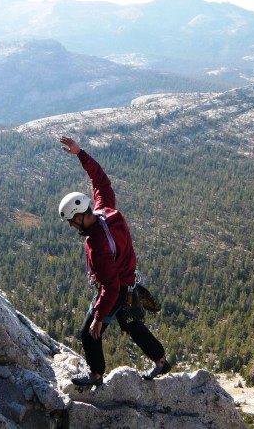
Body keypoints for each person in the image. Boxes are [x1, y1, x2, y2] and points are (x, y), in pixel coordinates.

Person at [58, 135, 171, 387]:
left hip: (118, 288)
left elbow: (110, 288)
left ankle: (96, 377)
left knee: (89, 334)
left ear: (78, 217)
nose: (70, 225)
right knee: (131, 324)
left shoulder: (97, 245)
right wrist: (80, 154)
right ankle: (161, 361)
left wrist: (99, 316)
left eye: (70, 221)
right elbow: (100, 180)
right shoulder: (106, 212)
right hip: (128, 282)